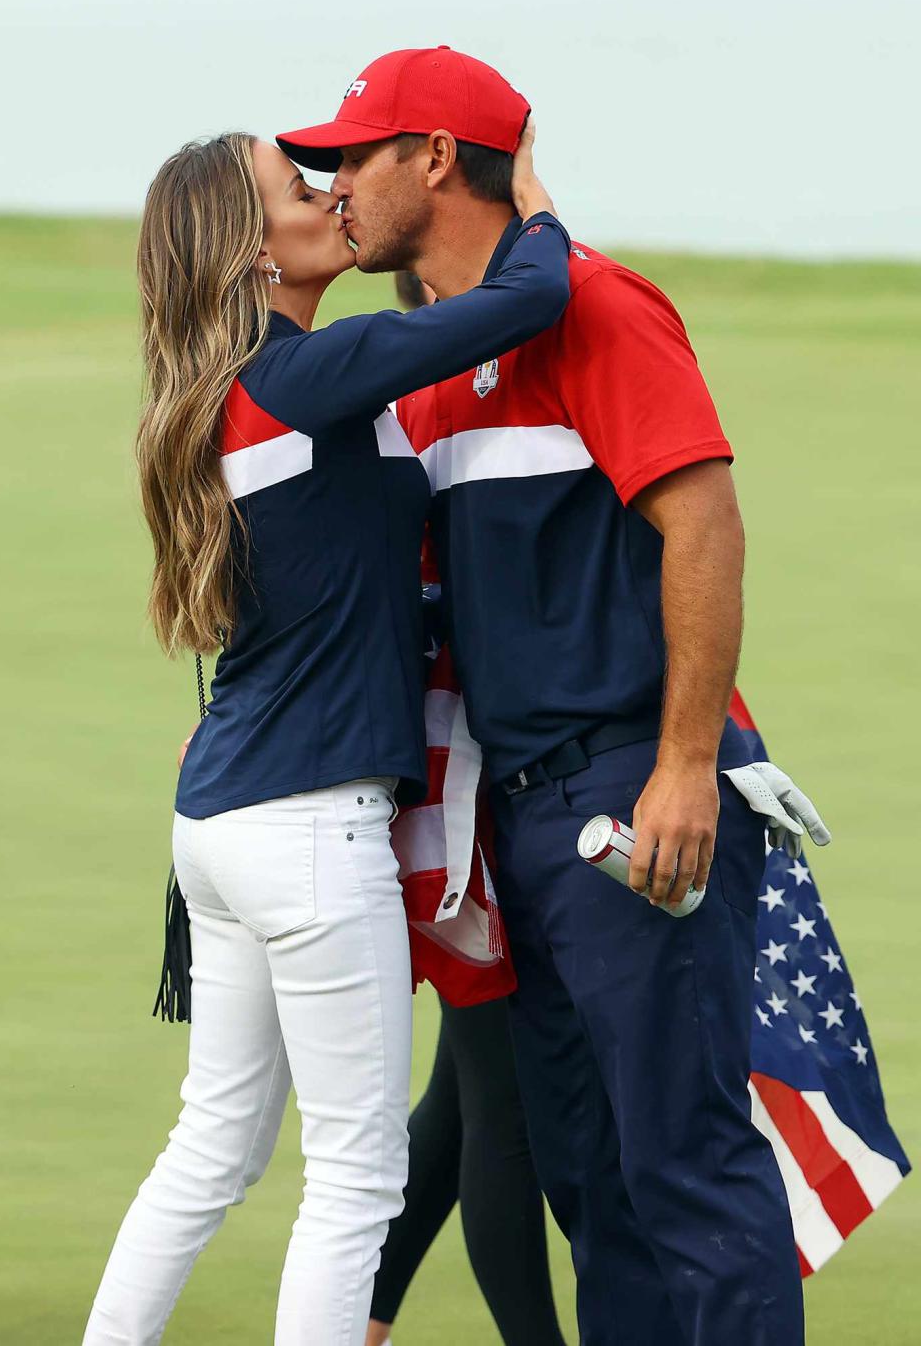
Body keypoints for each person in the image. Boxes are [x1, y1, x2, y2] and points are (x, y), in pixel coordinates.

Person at [277, 44, 805, 1345]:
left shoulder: (602, 309)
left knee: (682, 1171)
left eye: (356, 154)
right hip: (521, 828)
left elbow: (707, 526)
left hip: (633, 795)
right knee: (597, 1188)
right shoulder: (435, 357)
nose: (333, 182)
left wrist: (685, 763)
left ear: (438, 158)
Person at [82, 124, 571, 1346]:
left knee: (212, 1148)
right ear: (253, 250)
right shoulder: (301, 371)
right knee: (356, 1176)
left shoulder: (231, 387)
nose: (329, 195)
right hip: (307, 827)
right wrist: (529, 198)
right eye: (298, 187)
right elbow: (531, 295)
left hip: (222, 825)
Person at [362, 273, 567, 1346]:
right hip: (460, 798)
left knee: (459, 1100)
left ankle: (360, 1316)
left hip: (472, 781)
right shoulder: (424, 391)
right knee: (506, 1106)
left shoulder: (418, 387)